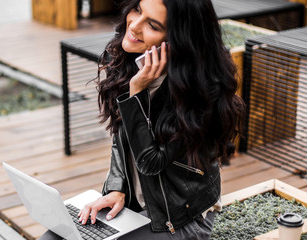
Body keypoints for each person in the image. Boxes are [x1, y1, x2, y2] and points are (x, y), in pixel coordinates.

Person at [39, 0, 244, 239]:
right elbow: (120, 136)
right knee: (52, 236)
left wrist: (136, 91)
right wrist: (117, 188)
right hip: (138, 207)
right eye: (137, 10)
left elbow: (151, 162)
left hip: (180, 217)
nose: (134, 25)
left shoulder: (199, 94)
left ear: (177, 39)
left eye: (153, 25)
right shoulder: (128, 61)